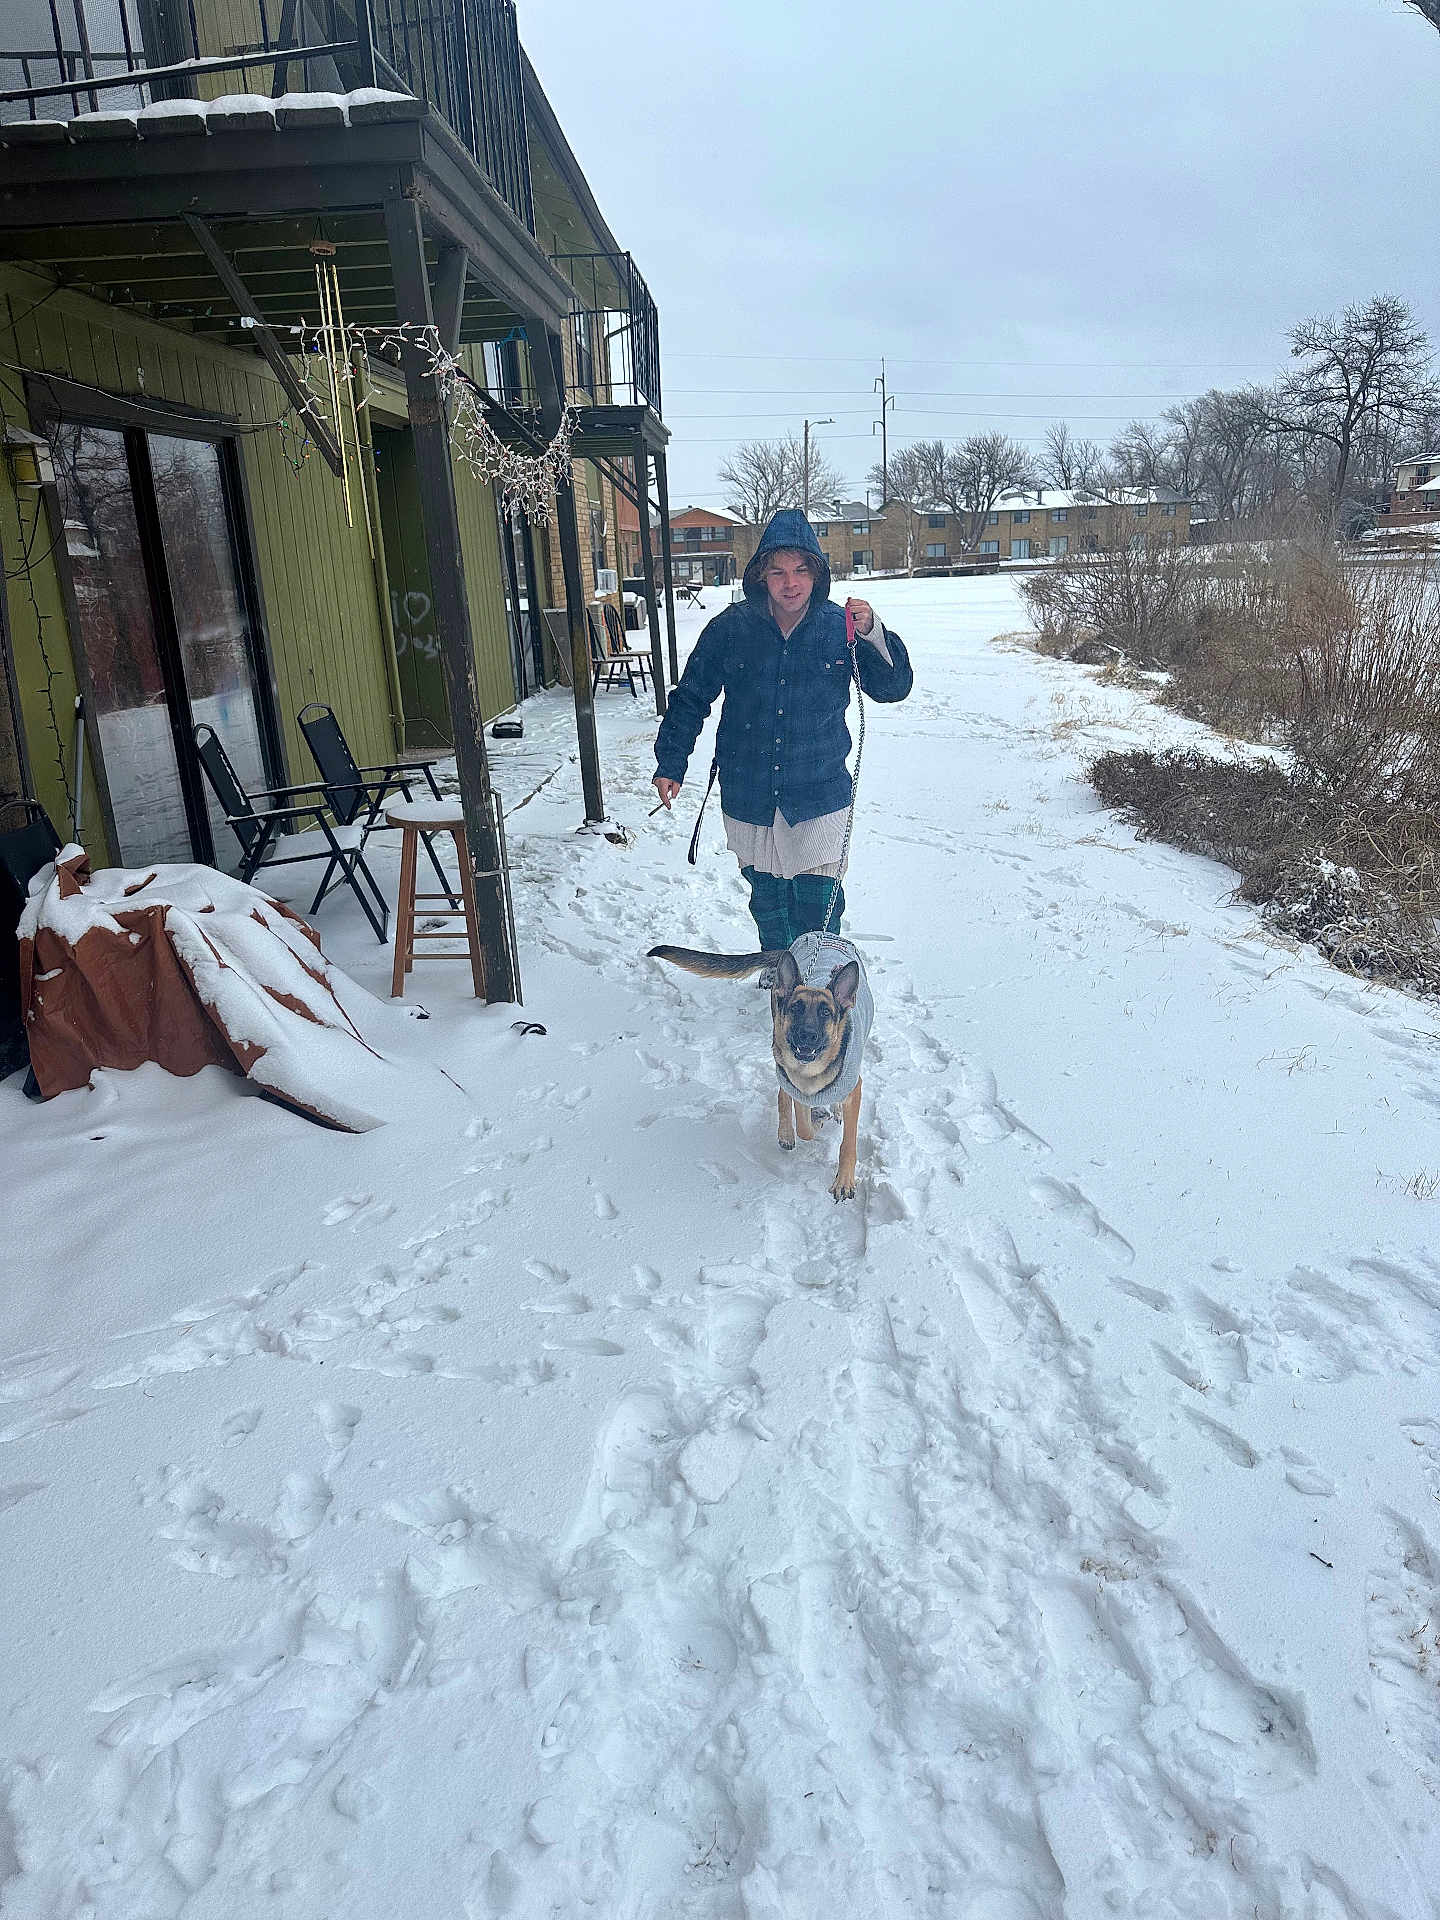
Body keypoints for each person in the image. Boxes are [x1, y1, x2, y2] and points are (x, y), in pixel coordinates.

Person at [653, 508, 912, 951]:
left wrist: (871, 633)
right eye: (777, 572)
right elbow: (691, 697)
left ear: (815, 574)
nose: (789, 584)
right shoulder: (731, 629)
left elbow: (893, 687)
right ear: (760, 576)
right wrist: (671, 762)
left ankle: (818, 975)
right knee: (767, 898)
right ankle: (778, 970)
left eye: (799, 571)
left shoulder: (840, 627)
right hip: (749, 790)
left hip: (819, 792)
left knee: (819, 901)